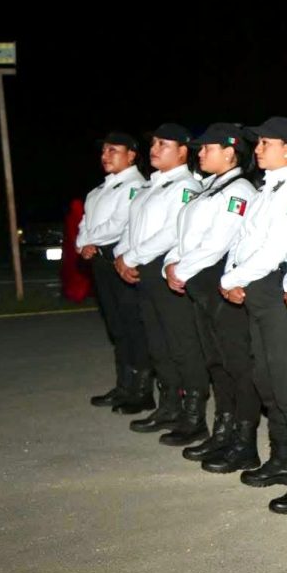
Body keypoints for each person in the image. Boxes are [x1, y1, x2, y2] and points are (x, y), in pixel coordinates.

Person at [218, 116, 287, 514]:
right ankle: (282, 458)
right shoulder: (269, 187)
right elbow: (244, 240)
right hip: (257, 288)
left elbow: (274, 248)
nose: (258, 149)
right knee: (267, 379)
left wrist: (233, 278)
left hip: (276, 289)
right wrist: (233, 274)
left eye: (267, 143)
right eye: (258, 142)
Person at [160, 123, 259, 470]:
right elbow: (184, 236)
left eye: (207, 148)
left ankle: (245, 442)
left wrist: (182, 270)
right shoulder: (208, 188)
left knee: (238, 365)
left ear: (230, 152)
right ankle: (223, 432)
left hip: (219, 283)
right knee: (216, 362)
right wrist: (171, 265)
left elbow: (218, 242)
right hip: (200, 283)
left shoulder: (239, 191)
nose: (200, 153)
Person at [115, 124, 208, 445]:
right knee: (158, 344)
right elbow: (132, 228)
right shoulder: (151, 186)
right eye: (153, 143)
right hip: (144, 267)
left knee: (182, 344)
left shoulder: (186, 186)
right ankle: (169, 406)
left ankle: (194, 417)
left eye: (163, 144)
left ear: (183, 151)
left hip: (167, 268)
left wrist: (132, 256)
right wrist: (123, 256)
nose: (154, 149)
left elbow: (172, 232)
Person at [77, 132, 151, 410]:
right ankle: (124, 386)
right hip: (100, 261)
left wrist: (90, 240)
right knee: (117, 327)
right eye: (104, 151)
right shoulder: (98, 190)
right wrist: (83, 243)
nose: (105, 156)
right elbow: (85, 222)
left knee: (134, 326)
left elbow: (119, 224)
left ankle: (142, 391)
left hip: (122, 261)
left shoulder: (136, 186)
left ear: (131, 155)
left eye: (113, 150)